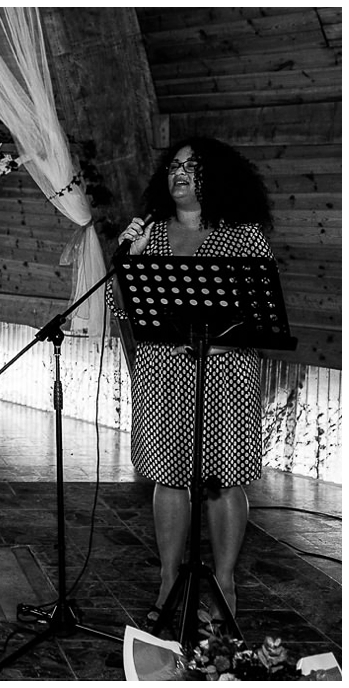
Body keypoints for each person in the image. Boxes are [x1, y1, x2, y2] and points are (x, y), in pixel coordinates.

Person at [112, 137, 274, 628]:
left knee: (222, 477)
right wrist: (131, 258)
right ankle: (168, 580)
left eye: (192, 167)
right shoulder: (152, 235)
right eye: (174, 166)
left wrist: (223, 342)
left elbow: (262, 316)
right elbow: (128, 308)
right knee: (169, 476)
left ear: (216, 177)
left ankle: (224, 582)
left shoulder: (244, 236)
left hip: (225, 370)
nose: (179, 173)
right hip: (164, 368)